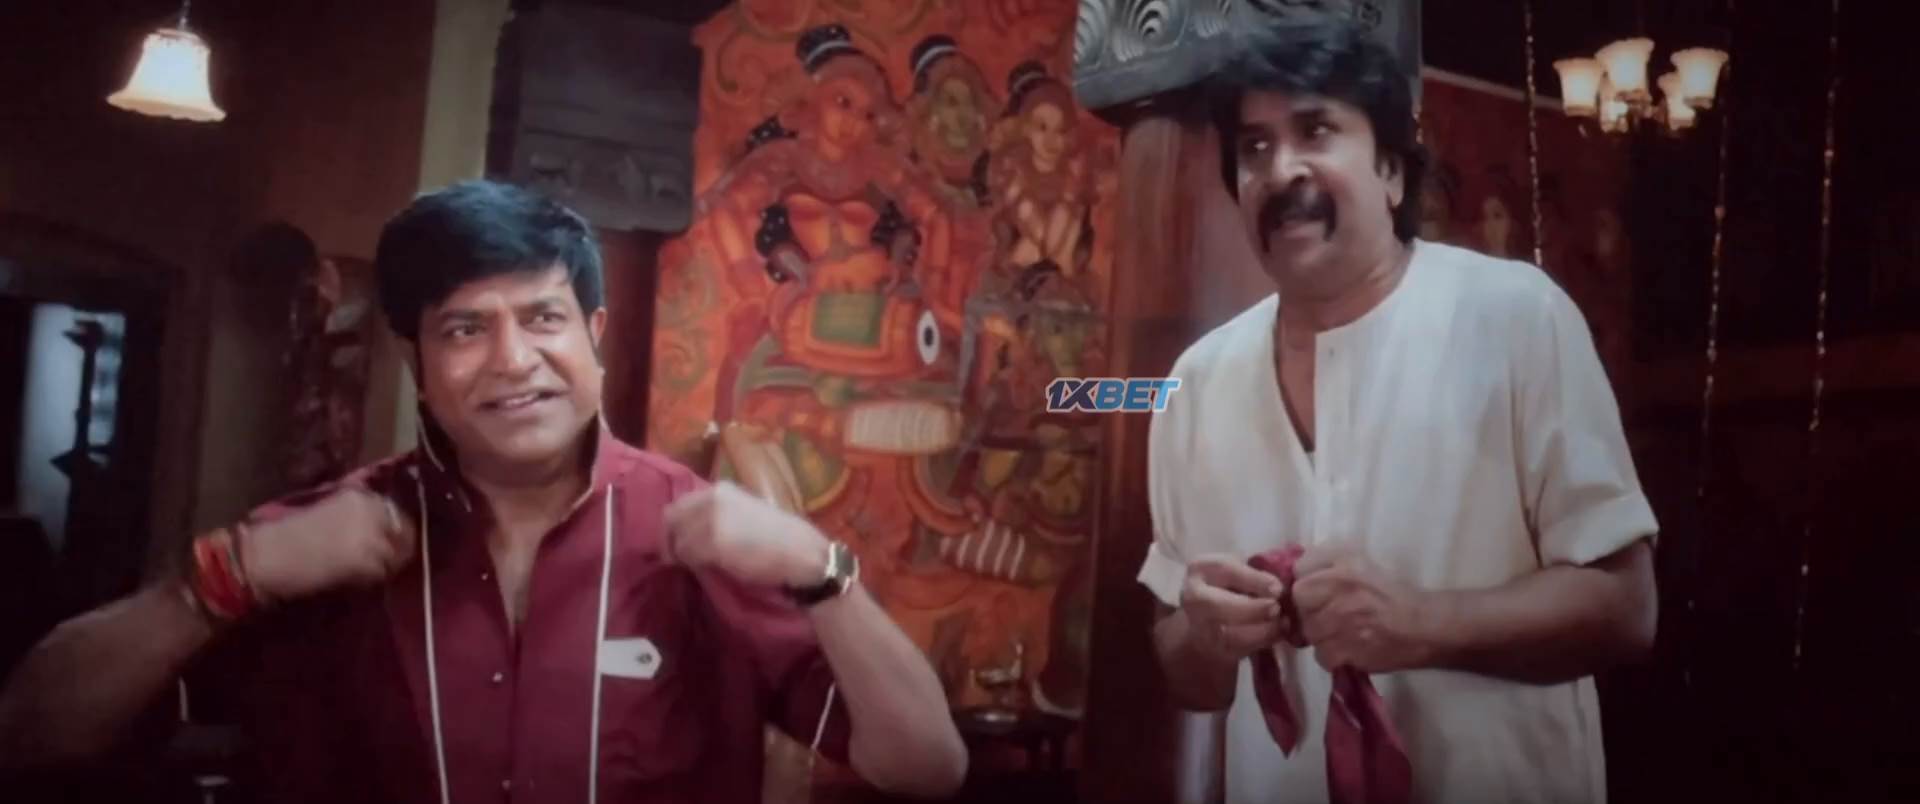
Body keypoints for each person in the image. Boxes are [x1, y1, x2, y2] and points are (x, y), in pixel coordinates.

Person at [0, 180, 968, 803]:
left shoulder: (705, 536)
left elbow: (929, 767)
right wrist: (225, 576)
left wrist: (821, 568)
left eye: (543, 318)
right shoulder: (309, 541)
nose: (513, 360)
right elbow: (33, 736)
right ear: (419, 366)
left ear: (593, 336)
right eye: (465, 329)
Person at [1137, 17, 1658, 804]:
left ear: (1389, 170)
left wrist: (1422, 622)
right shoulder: (1196, 383)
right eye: (1254, 148)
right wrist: (1205, 636)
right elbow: (1188, 677)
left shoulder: (1517, 318)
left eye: (1315, 130)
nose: (1281, 169)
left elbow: (1626, 609)